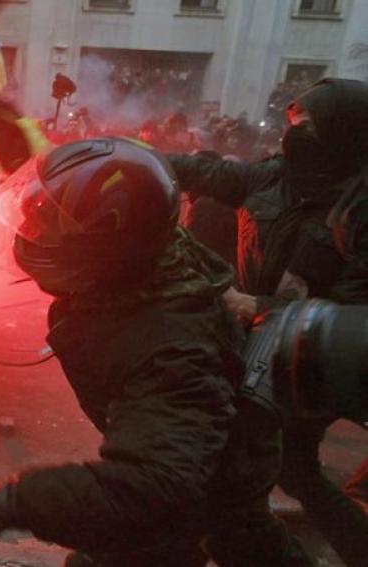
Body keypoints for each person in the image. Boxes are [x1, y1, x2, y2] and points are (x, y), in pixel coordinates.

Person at [0, 7, 311, 563]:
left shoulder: (170, 347)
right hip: (197, 466)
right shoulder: (144, 253)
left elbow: (153, 487)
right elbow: (39, 172)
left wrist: (8, 502)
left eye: (49, 225)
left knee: (230, 539)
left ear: (97, 248)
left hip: (204, 494)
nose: (34, 232)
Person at [167, 77, 368, 567]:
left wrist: (254, 305)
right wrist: (121, 159)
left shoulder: (360, 214)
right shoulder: (270, 179)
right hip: (250, 349)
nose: (294, 132)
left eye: (311, 125)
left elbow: (348, 316)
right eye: (294, 120)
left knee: (236, 471)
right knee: (282, 472)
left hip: (304, 369)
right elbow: (200, 171)